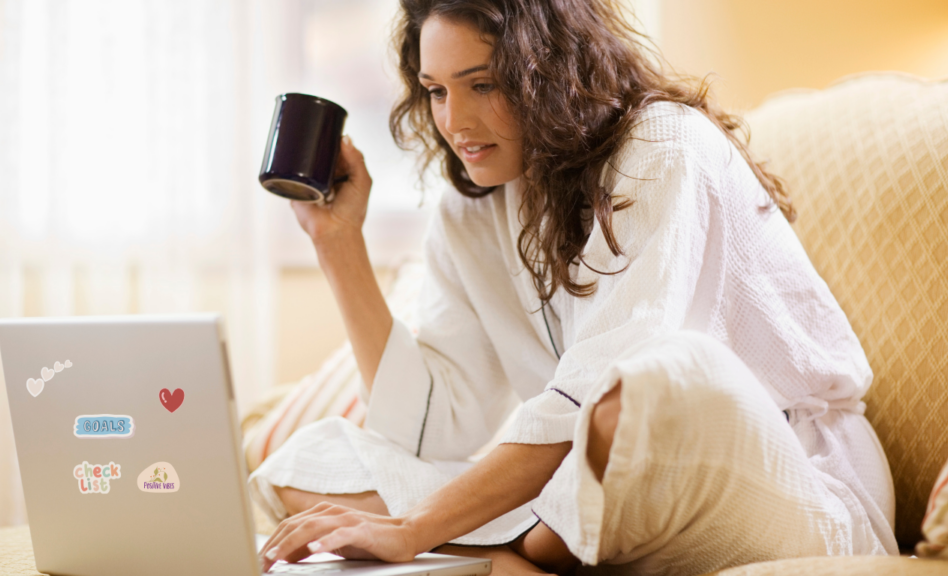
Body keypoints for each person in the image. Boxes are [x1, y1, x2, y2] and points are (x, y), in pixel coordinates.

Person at [251, 0, 897, 574]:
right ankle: (529, 545)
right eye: (437, 91)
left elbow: (596, 394)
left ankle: (524, 547)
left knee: (641, 390)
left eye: (483, 84)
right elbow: (434, 428)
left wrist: (414, 529)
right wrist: (337, 244)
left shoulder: (664, 146)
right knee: (309, 462)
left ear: (549, 70)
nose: (457, 122)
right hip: (591, 479)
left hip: (784, 471)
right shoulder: (471, 208)